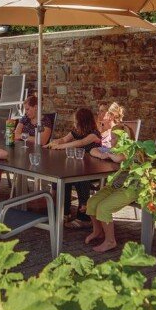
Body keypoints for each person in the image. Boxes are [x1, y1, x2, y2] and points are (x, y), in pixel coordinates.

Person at [85, 103, 130, 251]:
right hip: (116, 184)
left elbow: (118, 158)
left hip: (130, 186)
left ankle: (110, 241)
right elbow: (93, 150)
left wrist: (108, 154)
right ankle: (98, 231)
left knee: (103, 207)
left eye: (114, 139)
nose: (110, 142)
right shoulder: (115, 148)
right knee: (92, 203)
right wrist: (105, 153)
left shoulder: (128, 150)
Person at [50, 107, 102, 222]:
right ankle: (65, 212)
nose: (74, 123)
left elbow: (80, 143)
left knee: (81, 180)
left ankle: (83, 216)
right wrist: (55, 142)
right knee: (65, 177)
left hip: (93, 169)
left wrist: (60, 146)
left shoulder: (94, 134)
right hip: (77, 167)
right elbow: (64, 139)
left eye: (76, 121)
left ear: (83, 122)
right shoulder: (76, 131)